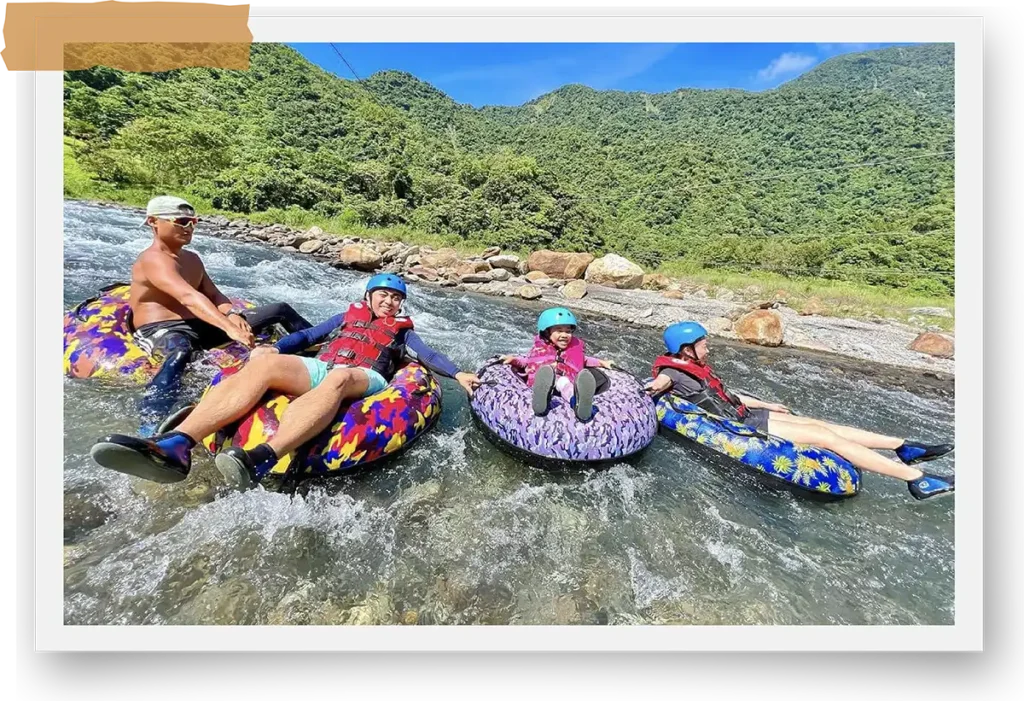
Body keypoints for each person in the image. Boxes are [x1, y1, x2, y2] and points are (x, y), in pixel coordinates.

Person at [90, 273, 482, 489]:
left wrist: (458, 373)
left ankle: (261, 457)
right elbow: (306, 339)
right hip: (322, 367)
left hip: (367, 377)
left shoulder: (401, 331)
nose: (390, 302)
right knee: (261, 364)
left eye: (396, 299)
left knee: (341, 377)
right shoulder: (346, 317)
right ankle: (176, 445)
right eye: (384, 295)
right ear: (369, 296)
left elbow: (427, 356)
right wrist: (275, 350)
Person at [645, 321, 955, 501]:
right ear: (686, 349)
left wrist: (766, 404)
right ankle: (917, 480)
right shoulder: (671, 373)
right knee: (825, 437)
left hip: (744, 414)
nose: (708, 349)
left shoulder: (693, 365)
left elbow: (724, 394)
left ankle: (903, 446)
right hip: (737, 428)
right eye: (703, 344)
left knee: (820, 424)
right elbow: (655, 386)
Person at [129, 195, 313, 436]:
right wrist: (228, 327)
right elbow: (188, 297)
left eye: (193, 222)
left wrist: (233, 314)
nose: (189, 228)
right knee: (180, 353)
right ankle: (150, 423)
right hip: (161, 328)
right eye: (181, 221)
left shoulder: (192, 259)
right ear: (154, 222)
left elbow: (214, 295)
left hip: (199, 323)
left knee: (279, 310)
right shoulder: (152, 260)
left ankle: (321, 349)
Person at [499, 307, 614, 421]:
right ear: (546, 332)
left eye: (568, 331)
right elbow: (526, 362)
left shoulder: (573, 349)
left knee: (564, 383)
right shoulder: (539, 350)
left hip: (563, 382)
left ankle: (578, 404)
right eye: (559, 330)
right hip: (543, 381)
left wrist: (602, 362)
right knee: (550, 379)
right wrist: (513, 360)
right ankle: (542, 401)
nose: (565, 335)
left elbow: (584, 360)